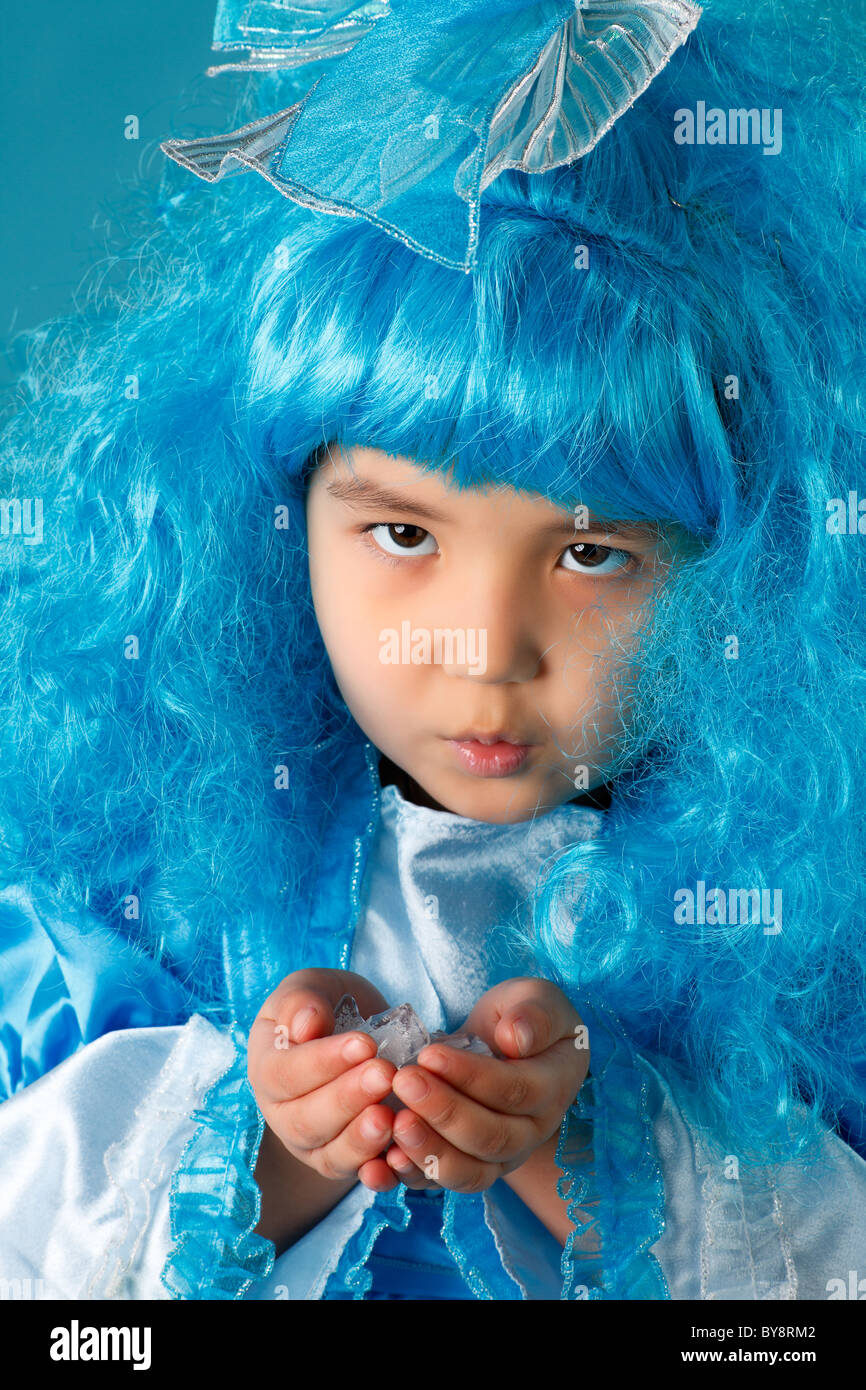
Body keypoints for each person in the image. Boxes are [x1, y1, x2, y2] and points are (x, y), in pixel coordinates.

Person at [0, 0, 864, 1302]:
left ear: (744, 568)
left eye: (588, 555)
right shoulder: (151, 905)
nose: (482, 649)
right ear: (278, 525)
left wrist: (594, 1161)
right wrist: (271, 1153)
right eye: (403, 531)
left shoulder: (803, 928)